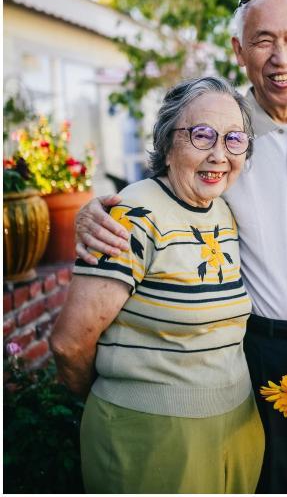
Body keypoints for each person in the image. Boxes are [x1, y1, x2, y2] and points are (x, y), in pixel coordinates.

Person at [75, 0, 287, 494]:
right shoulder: (226, 135)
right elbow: (164, 186)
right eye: (263, 39)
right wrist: (91, 210)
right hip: (263, 353)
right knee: (274, 484)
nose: (281, 57)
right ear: (238, 50)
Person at [50, 76, 264, 494]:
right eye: (201, 135)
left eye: (234, 139)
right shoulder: (133, 214)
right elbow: (68, 344)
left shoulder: (223, 210)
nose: (219, 154)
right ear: (167, 143)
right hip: (149, 439)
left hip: (237, 428)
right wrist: (119, 397)